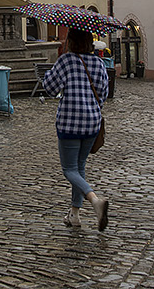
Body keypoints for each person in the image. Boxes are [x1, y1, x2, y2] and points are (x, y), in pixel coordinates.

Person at [41, 28, 111, 231]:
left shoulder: (66, 61)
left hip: (70, 123)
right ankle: (74, 215)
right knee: (79, 168)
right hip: (91, 124)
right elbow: (104, 93)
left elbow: (50, 88)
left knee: (69, 169)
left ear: (71, 41)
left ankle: (95, 200)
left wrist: (53, 69)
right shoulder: (98, 63)